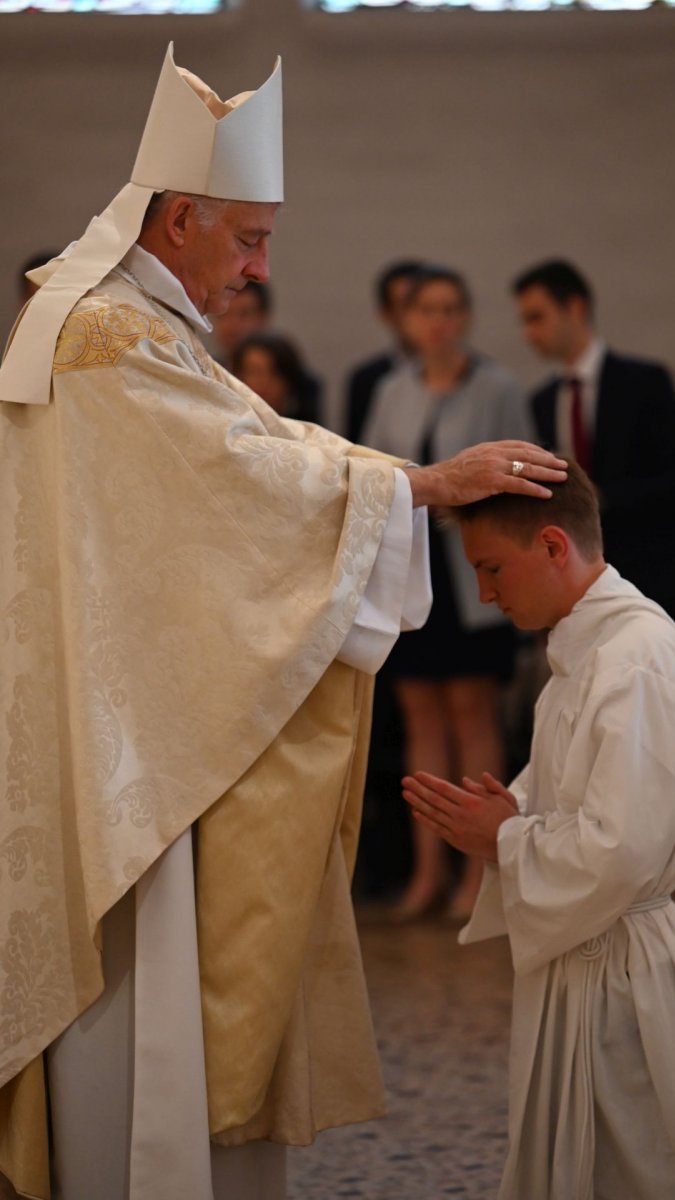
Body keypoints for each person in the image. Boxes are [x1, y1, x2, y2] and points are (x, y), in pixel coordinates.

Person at [0, 46, 567, 1200]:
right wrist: (419, 484)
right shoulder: (105, 334)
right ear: (174, 222)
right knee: (145, 985)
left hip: (152, 713)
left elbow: (257, 460)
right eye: (248, 238)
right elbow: (245, 477)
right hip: (134, 739)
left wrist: (404, 480)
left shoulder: (136, 325)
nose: (260, 269)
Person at [403, 466, 675, 1200]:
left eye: (491, 569)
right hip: (590, 954)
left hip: (623, 969)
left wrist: (506, 842)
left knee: (654, 1163)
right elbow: (578, 799)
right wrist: (509, 817)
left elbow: (623, 848)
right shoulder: (585, 651)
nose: (485, 594)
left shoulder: (633, 660)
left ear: (553, 544)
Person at [512, 257, 675, 926]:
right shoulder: (543, 400)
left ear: (576, 308)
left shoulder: (643, 381)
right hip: (578, 587)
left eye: (537, 315)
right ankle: (593, 866)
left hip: (649, 577)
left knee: (661, 730)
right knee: (596, 730)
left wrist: (595, 508)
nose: (530, 332)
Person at [363, 265, 532, 921]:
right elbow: (375, 478)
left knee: (472, 716)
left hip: (472, 578)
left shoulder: (498, 387)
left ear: (464, 318)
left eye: (449, 309)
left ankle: (477, 875)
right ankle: (427, 871)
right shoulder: (390, 389)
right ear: (406, 320)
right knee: (420, 722)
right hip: (411, 574)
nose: (437, 321)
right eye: (425, 309)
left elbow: (524, 474)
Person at [212, 278, 324, 418]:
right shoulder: (204, 373)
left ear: (263, 317)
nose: (233, 325)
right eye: (225, 314)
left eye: (243, 314)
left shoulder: (302, 384)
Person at [343, 258, 424, 444]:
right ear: (386, 313)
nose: (417, 315)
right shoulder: (367, 379)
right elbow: (357, 453)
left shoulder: (484, 380)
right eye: (405, 306)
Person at [230, 331, 321, 423]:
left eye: (274, 373)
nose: (264, 382)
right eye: (255, 372)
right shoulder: (222, 430)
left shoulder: (307, 434)